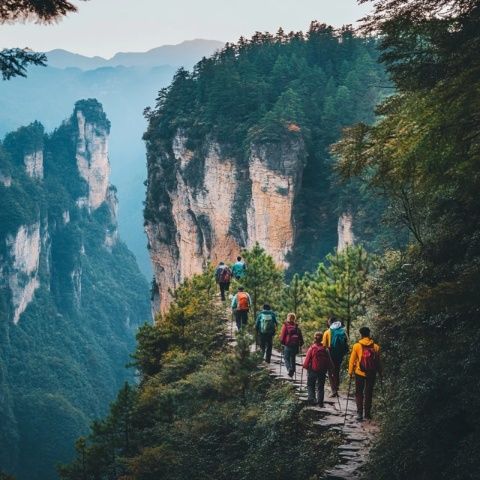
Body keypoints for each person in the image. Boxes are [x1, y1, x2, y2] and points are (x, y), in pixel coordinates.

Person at [348, 326, 382, 421]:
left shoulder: (357, 346)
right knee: (369, 392)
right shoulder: (376, 347)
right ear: (369, 334)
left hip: (359, 372)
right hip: (372, 372)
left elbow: (352, 360)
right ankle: (367, 414)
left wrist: (350, 372)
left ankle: (359, 414)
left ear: (361, 335)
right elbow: (378, 362)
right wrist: (380, 372)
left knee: (359, 392)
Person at [303, 332, 335, 406]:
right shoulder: (325, 349)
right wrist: (331, 368)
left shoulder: (312, 348)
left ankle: (312, 399)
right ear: (322, 339)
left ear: (315, 338)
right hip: (322, 370)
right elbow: (329, 360)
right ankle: (320, 402)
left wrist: (305, 366)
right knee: (320, 386)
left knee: (311, 385)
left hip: (312, 370)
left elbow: (307, 359)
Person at [322, 316, 349, 396]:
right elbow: (347, 344)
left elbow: (324, 346)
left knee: (330, 372)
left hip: (330, 354)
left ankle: (334, 390)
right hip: (340, 355)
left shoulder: (327, 332)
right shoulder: (343, 331)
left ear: (330, 322)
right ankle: (337, 387)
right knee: (337, 370)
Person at [279, 313, 304, 377]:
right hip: (295, 345)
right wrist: (301, 344)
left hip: (288, 345)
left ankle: (289, 369)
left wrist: (282, 342)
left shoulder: (285, 325)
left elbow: (282, 336)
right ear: (294, 318)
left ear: (288, 318)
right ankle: (292, 370)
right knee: (292, 358)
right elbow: (300, 336)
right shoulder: (296, 326)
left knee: (286, 358)